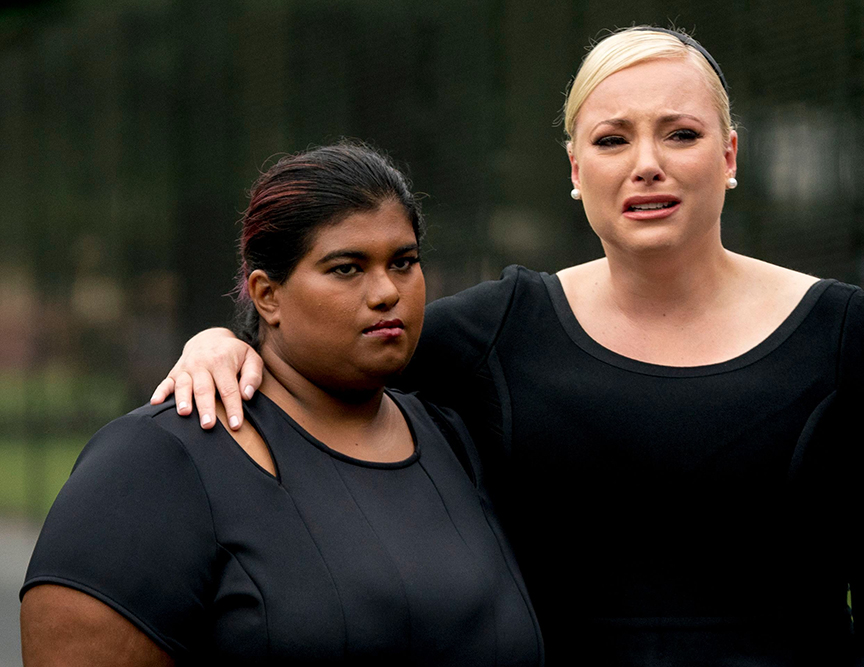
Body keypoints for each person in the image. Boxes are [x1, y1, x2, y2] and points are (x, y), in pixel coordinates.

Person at [149, 27, 864, 666]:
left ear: (729, 156)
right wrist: (223, 339)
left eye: (681, 134)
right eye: (612, 139)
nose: (647, 166)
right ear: (574, 168)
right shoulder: (498, 330)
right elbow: (328, 358)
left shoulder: (841, 334)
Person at [20, 143, 543, 666]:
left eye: (403, 262)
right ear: (267, 295)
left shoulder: (457, 439)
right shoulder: (159, 458)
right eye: (346, 268)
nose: (387, 291)